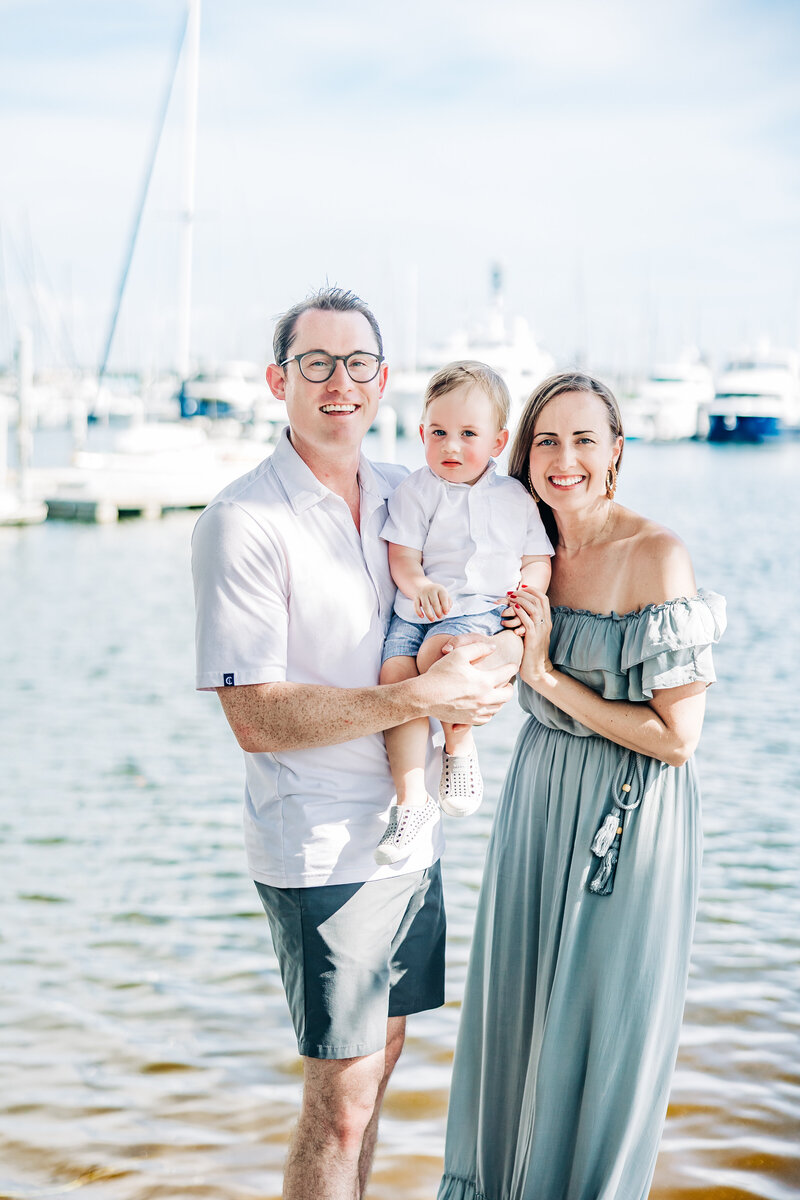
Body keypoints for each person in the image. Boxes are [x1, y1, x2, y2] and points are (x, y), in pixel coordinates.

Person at [191, 287, 518, 1200]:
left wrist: (487, 673)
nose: (340, 383)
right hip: (321, 841)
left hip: (410, 831)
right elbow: (254, 717)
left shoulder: (408, 495)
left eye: (358, 364)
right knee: (338, 1098)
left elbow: (486, 598)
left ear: (385, 382)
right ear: (277, 381)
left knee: (382, 1067)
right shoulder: (244, 521)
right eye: (316, 364)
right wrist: (420, 693)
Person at [438, 372, 726, 1200]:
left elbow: (678, 740)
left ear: (616, 453)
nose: (564, 459)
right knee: (513, 1018)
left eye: (584, 439)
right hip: (538, 796)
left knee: (604, 1034)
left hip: (629, 816)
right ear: (523, 454)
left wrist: (549, 676)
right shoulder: (520, 550)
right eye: (546, 440)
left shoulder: (657, 556)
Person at [374, 361, 552, 865]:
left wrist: (528, 591)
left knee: (444, 655)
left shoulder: (515, 498)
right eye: (439, 433)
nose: (450, 447)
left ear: (498, 442)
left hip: (477, 612)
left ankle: (459, 746)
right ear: (423, 432)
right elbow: (403, 557)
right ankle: (411, 803)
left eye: (467, 434)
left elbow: (536, 557)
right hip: (413, 611)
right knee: (396, 687)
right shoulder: (416, 490)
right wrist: (420, 584)